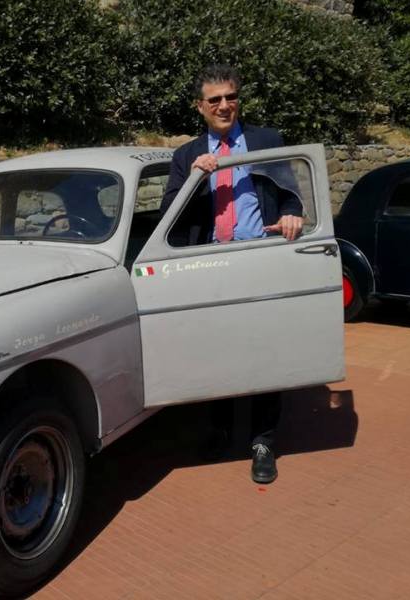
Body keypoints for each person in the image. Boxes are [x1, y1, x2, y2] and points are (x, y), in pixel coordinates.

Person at [160, 64, 303, 484]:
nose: (224, 105)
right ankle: (220, 429)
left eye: (231, 96)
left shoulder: (266, 140)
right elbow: (170, 214)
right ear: (200, 106)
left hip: (259, 257)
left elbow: (289, 193)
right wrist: (195, 178)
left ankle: (263, 443)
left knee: (263, 352)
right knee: (218, 352)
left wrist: (292, 214)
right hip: (211, 262)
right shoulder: (185, 155)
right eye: (215, 99)